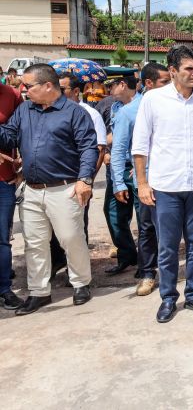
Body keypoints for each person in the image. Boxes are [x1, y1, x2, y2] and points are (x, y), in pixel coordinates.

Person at [131, 45, 193, 323]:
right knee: (168, 246)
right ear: (173, 71)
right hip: (166, 186)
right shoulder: (153, 100)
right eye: (189, 69)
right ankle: (168, 298)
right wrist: (142, 183)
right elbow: (140, 146)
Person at [0, 64, 98, 315]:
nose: (23, 90)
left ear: (47, 86)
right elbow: (9, 137)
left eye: (28, 85)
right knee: (34, 243)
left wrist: (85, 180)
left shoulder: (74, 113)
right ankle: (39, 292)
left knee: (70, 238)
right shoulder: (24, 110)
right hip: (31, 190)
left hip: (64, 189)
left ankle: (80, 283)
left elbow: (88, 148)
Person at [110, 62, 170, 297]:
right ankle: (147, 273)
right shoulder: (129, 111)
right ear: (148, 83)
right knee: (147, 229)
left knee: (172, 229)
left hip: (170, 178)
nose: (170, 86)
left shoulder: (173, 106)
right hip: (144, 180)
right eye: (165, 81)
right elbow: (119, 149)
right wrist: (119, 182)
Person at [50, 73, 108, 278]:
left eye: (63, 89)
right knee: (52, 231)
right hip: (52, 183)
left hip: (77, 182)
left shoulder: (89, 114)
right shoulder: (50, 110)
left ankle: (77, 273)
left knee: (75, 229)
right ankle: (58, 263)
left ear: (76, 92)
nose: (58, 92)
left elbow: (99, 149)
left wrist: (88, 181)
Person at [102, 69, 140, 276]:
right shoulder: (115, 107)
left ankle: (146, 261)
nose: (109, 90)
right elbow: (115, 140)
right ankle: (127, 256)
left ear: (123, 85)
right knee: (114, 213)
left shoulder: (144, 106)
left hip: (139, 169)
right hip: (119, 168)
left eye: (112, 86)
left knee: (146, 219)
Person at [0, 80, 21, 309]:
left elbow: (17, 135)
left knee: (2, 239)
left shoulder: (12, 95)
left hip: (3, 180)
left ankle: (4, 289)